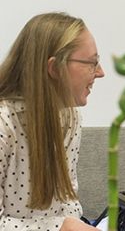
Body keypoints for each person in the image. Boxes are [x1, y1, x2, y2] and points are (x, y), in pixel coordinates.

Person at [0, 12, 105, 230]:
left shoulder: (70, 117)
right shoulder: (4, 124)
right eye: (91, 63)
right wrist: (60, 227)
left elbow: (68, 202)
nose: (100, 72)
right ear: (54, 68)